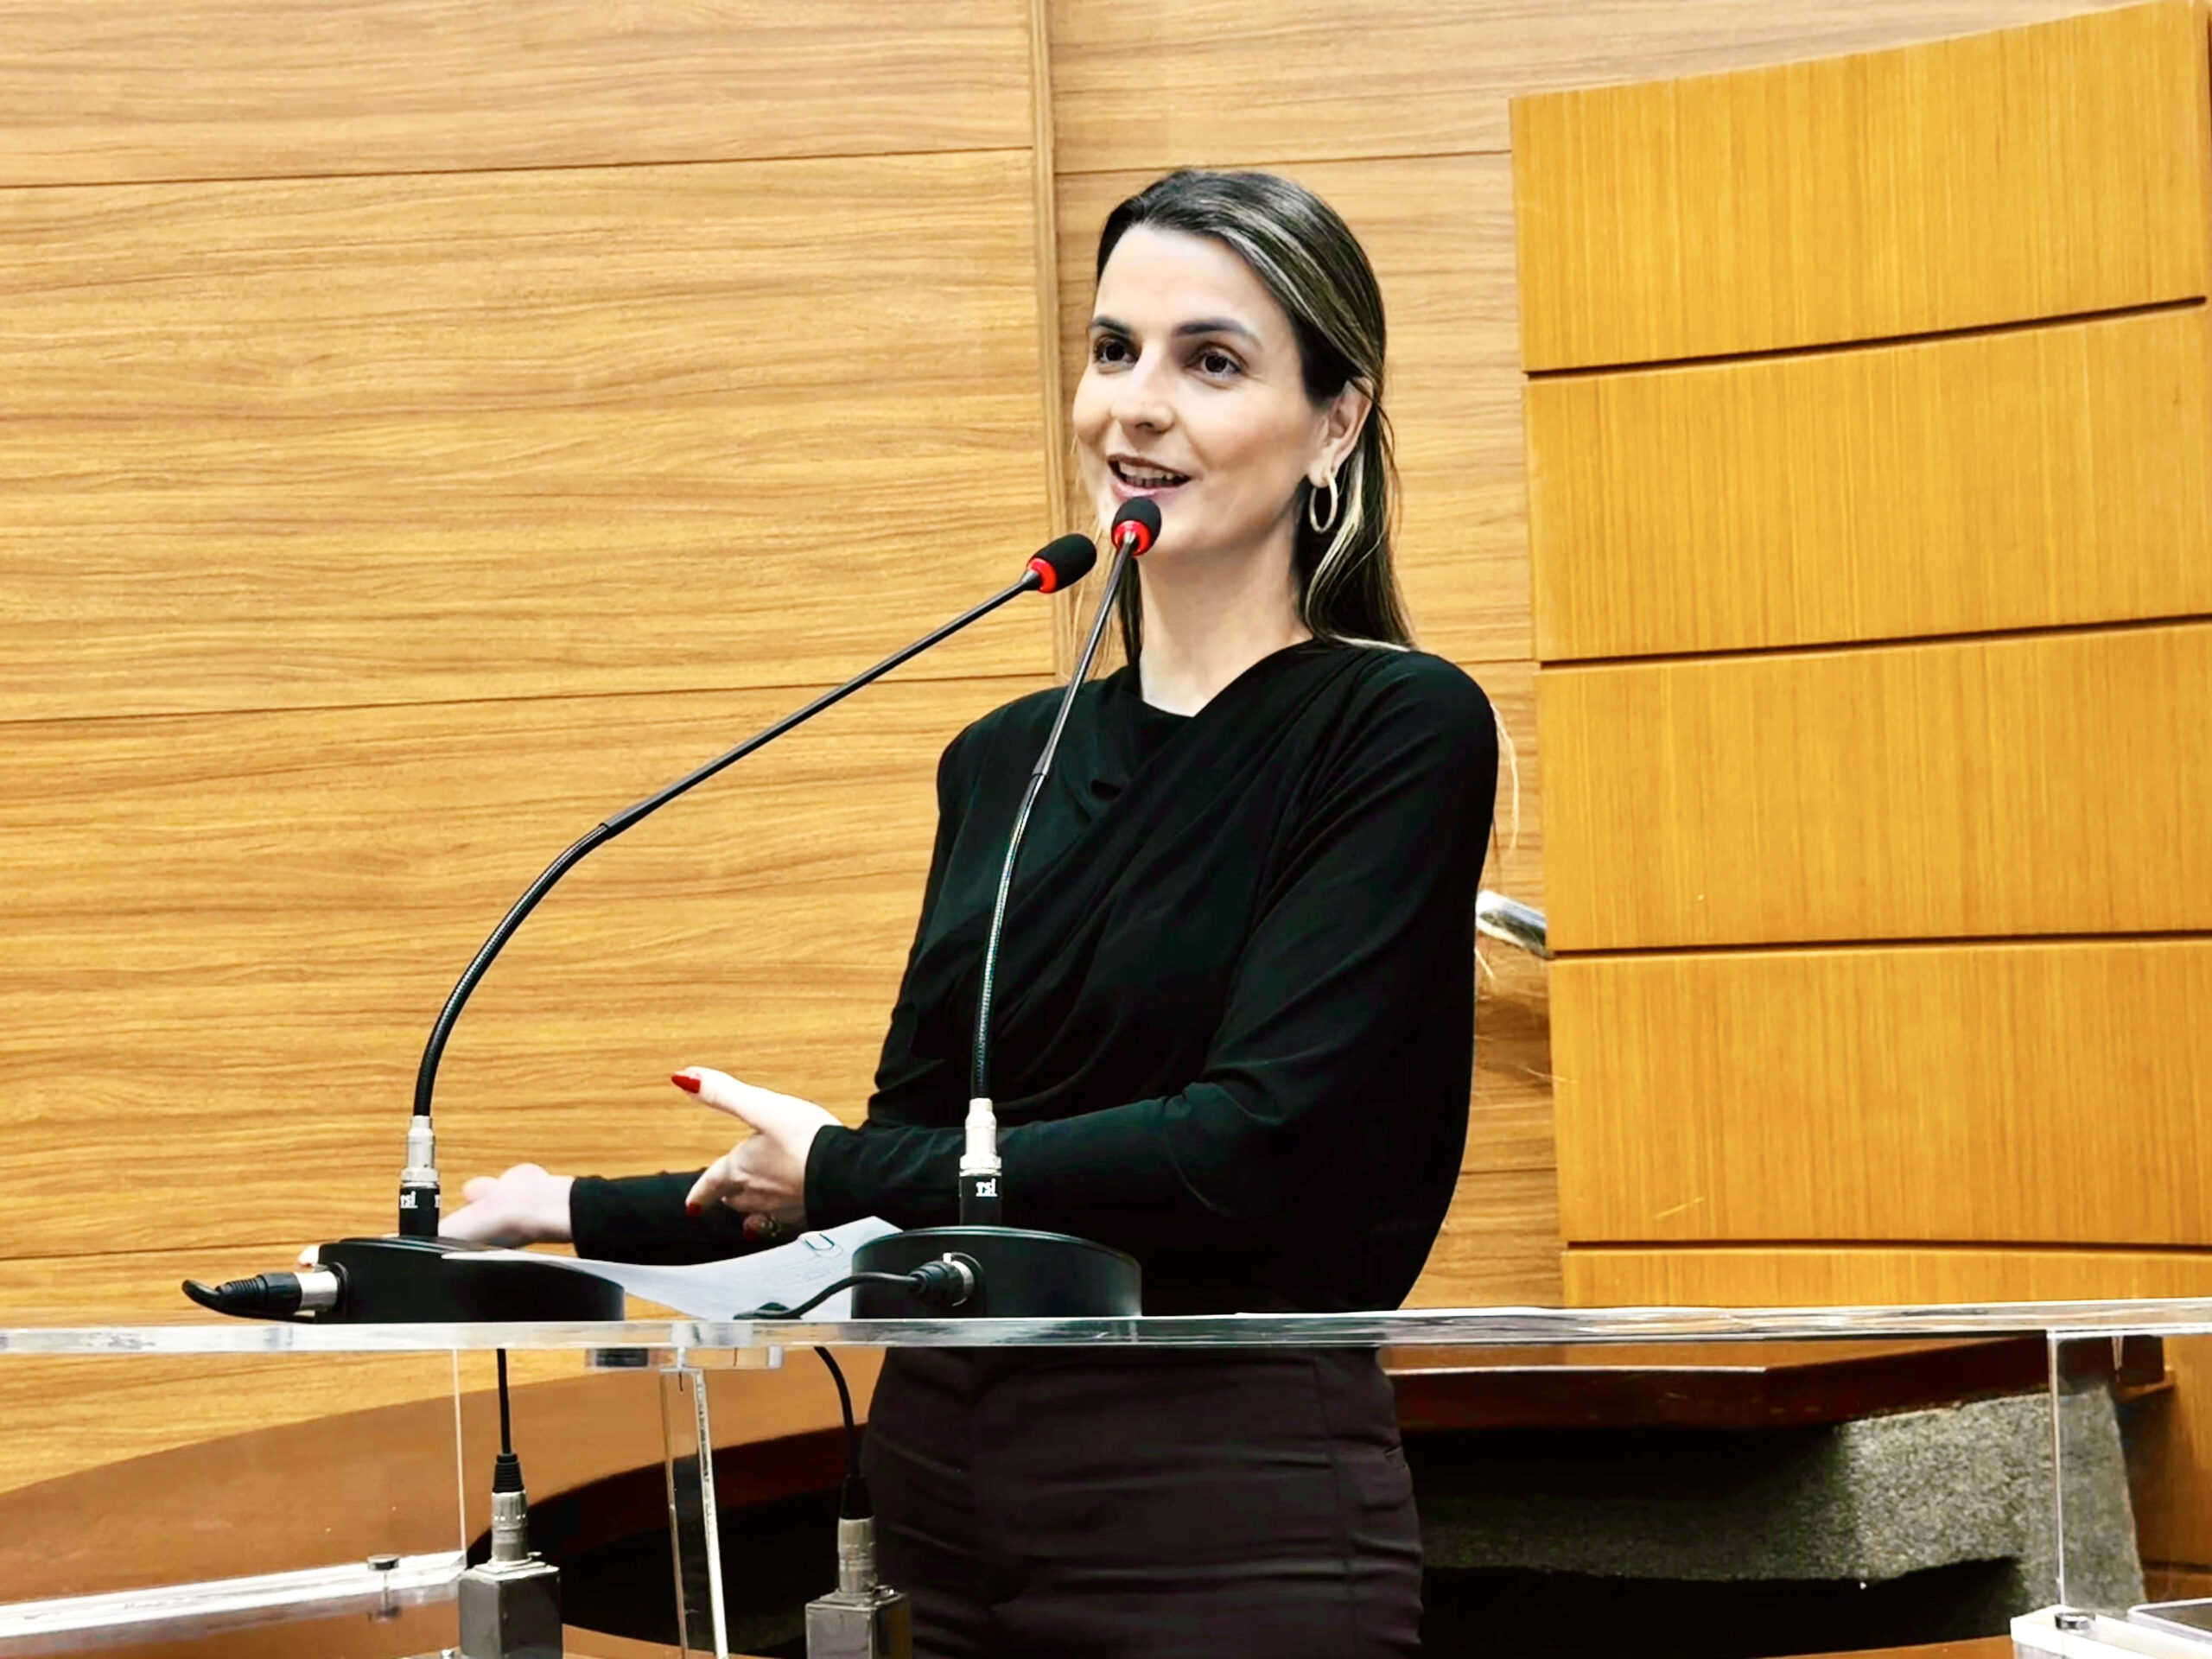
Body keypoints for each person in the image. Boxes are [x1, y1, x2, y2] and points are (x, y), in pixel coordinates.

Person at [446, 168, 1497, 1658]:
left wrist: (836, 1165)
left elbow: (1245, 1150)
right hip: (937, 1499)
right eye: (1113, 349)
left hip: (1220, 1507)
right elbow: (913, 1168)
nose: (1135, 406)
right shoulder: (1002, 759)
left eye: (1211, 361)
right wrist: (563, 1214)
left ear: (1336, 423)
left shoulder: (1395, 728)